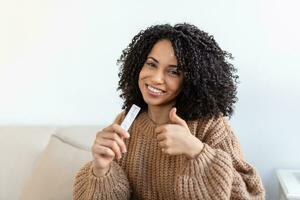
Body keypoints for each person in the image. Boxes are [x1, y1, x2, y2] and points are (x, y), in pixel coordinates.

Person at [72, 23, 265, 200]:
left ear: (192, 80)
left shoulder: (211, 125)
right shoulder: (126, 121)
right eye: (151, 64)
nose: (156, 78)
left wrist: (195, 150)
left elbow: (251, 195)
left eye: (173, 71)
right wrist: (101, 169)